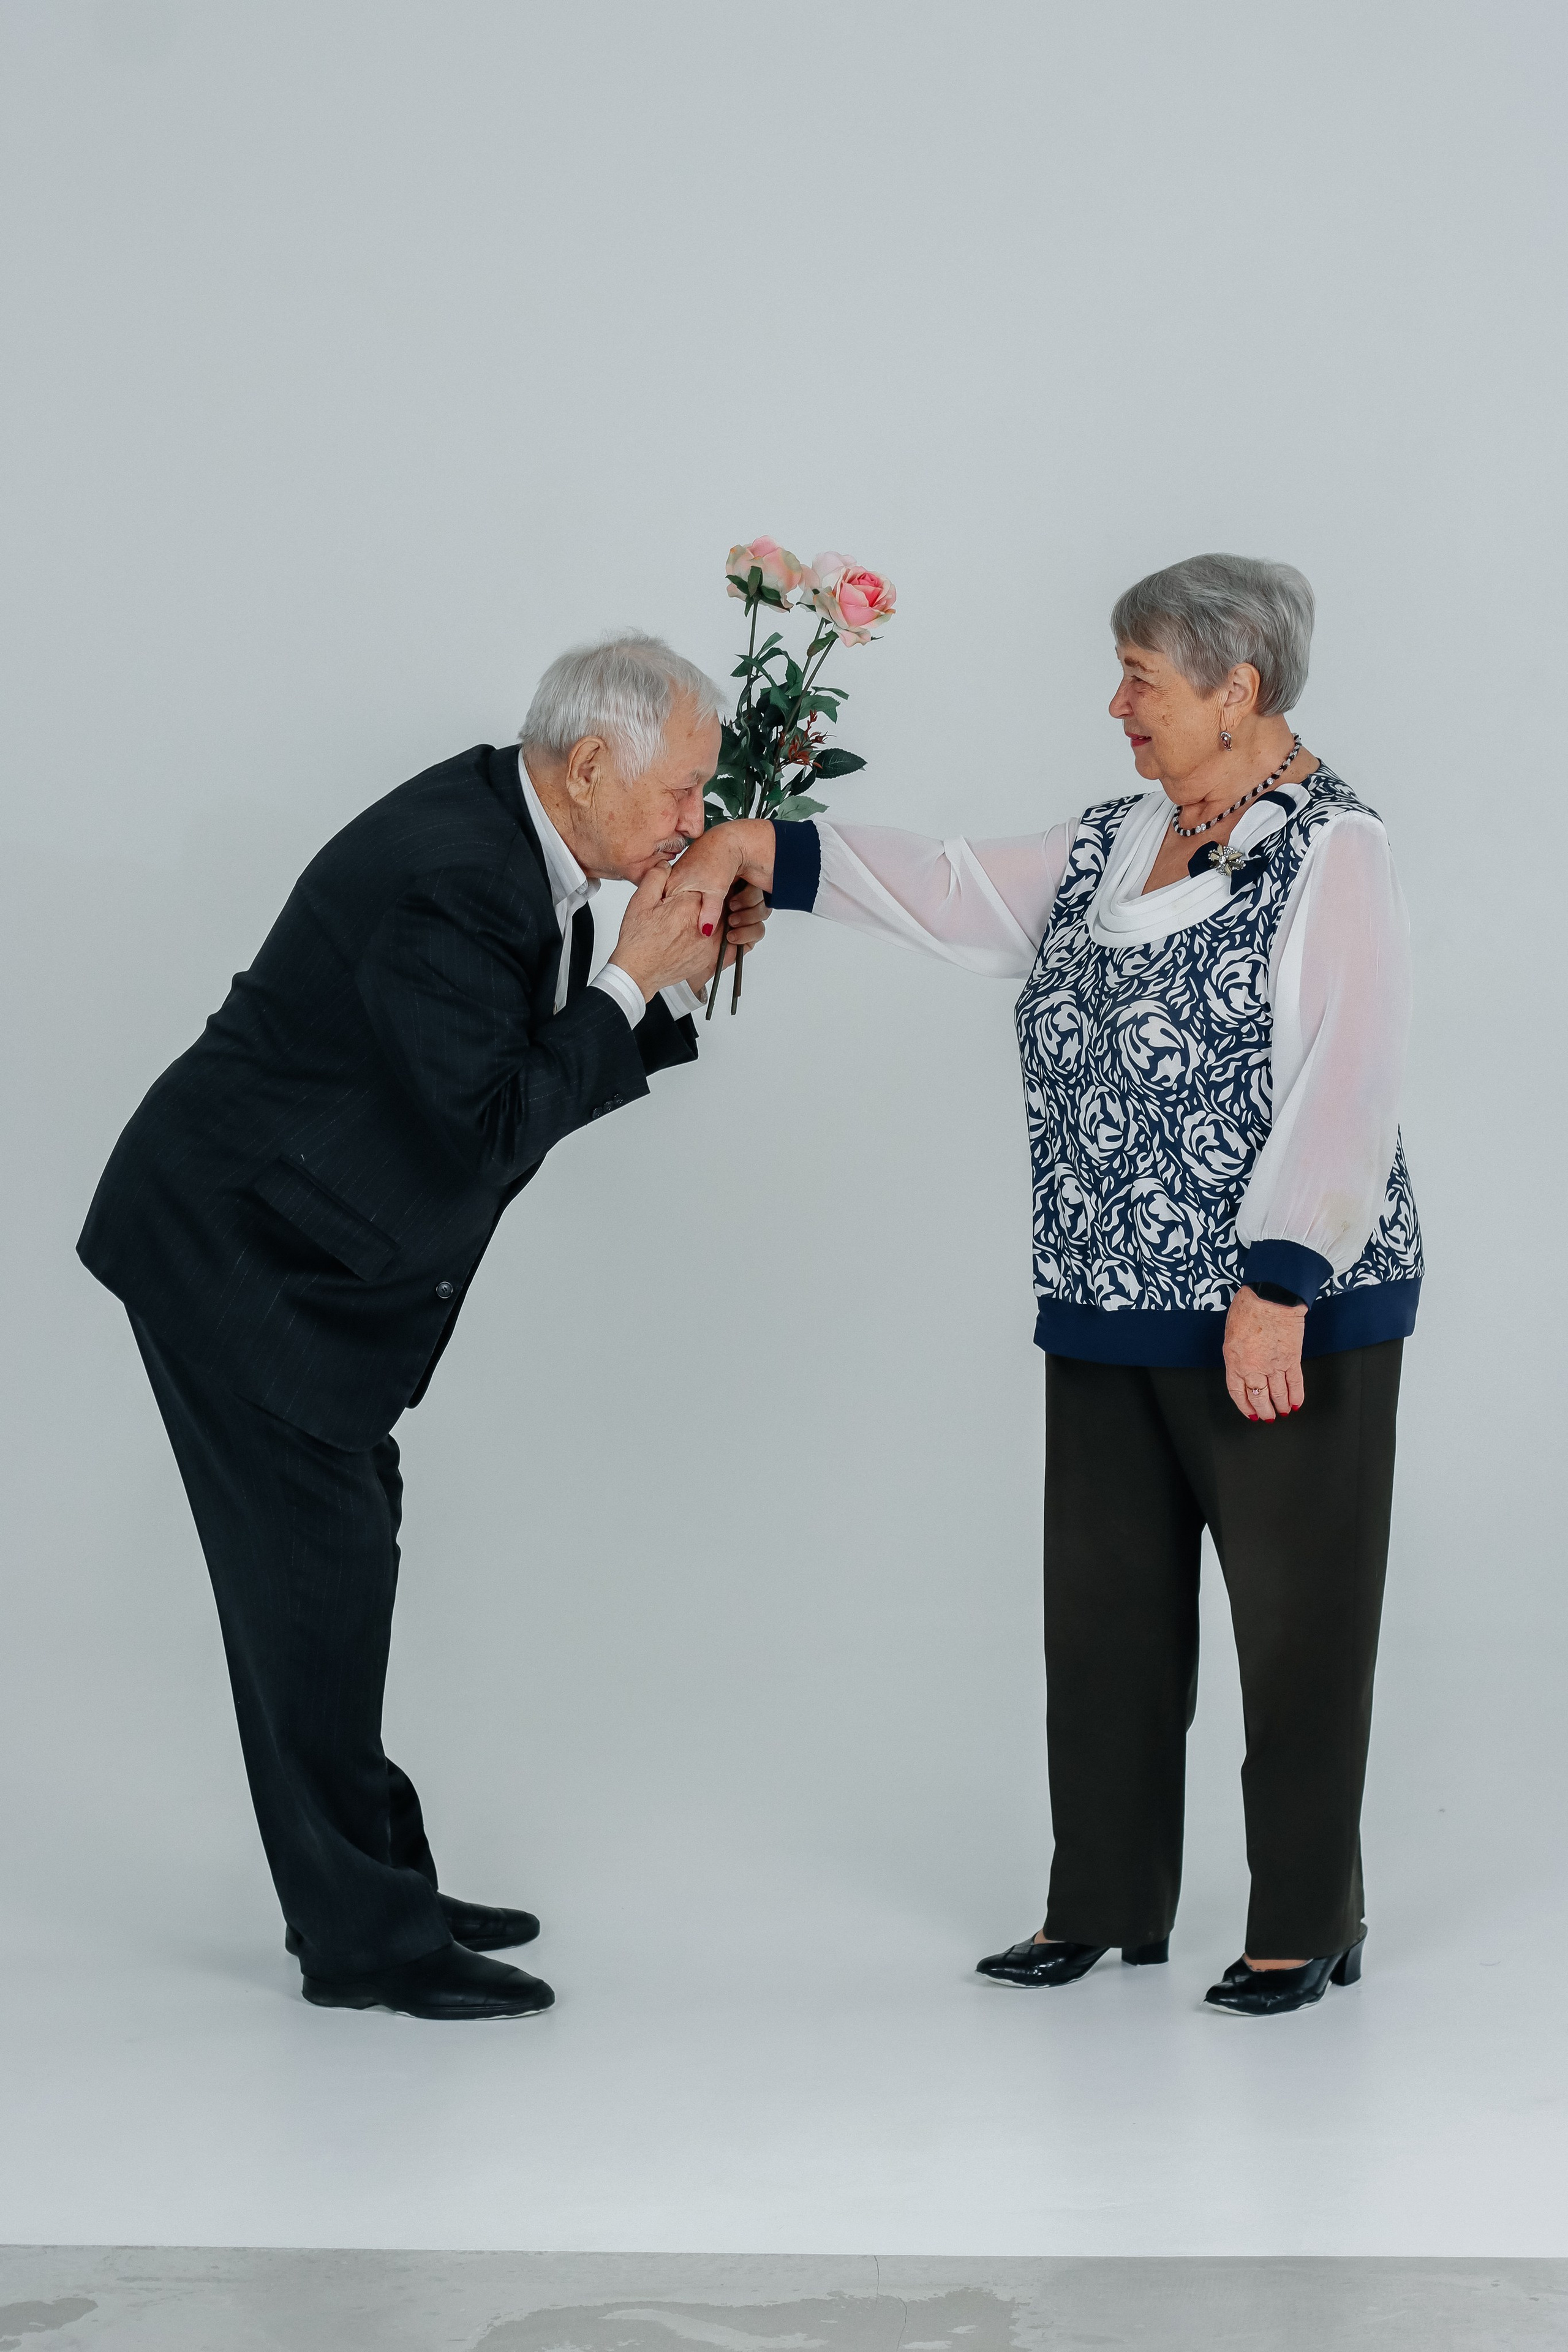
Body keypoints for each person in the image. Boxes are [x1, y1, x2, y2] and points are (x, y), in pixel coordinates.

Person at [673, 554, 1420, 2018]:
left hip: (1275, 1321)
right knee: (1103, 1626)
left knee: (1297, 1630)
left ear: (1236, 688)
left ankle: (1303, 1922)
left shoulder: (1334, 851)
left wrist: (1277, 1277)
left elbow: (1352, 1074)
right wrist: (769, 848)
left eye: (1139, 678)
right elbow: (949, 888)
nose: (1115, 706)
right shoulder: (1111, 841)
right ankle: (1102, 1903)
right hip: (1097, 1304)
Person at [78, 634, 767, 2022]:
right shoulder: (455, 875)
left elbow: (492, 1071)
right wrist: (627, 980)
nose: (695, 820)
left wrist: (661, 985)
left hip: (287, 1244)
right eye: (682, 792)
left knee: (336, 1577)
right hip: (240, 1261)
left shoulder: (507, 832)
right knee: (313, 1590)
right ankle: (363, 1944)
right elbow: (486, 1129)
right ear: (587, 765)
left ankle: (374, 1880)